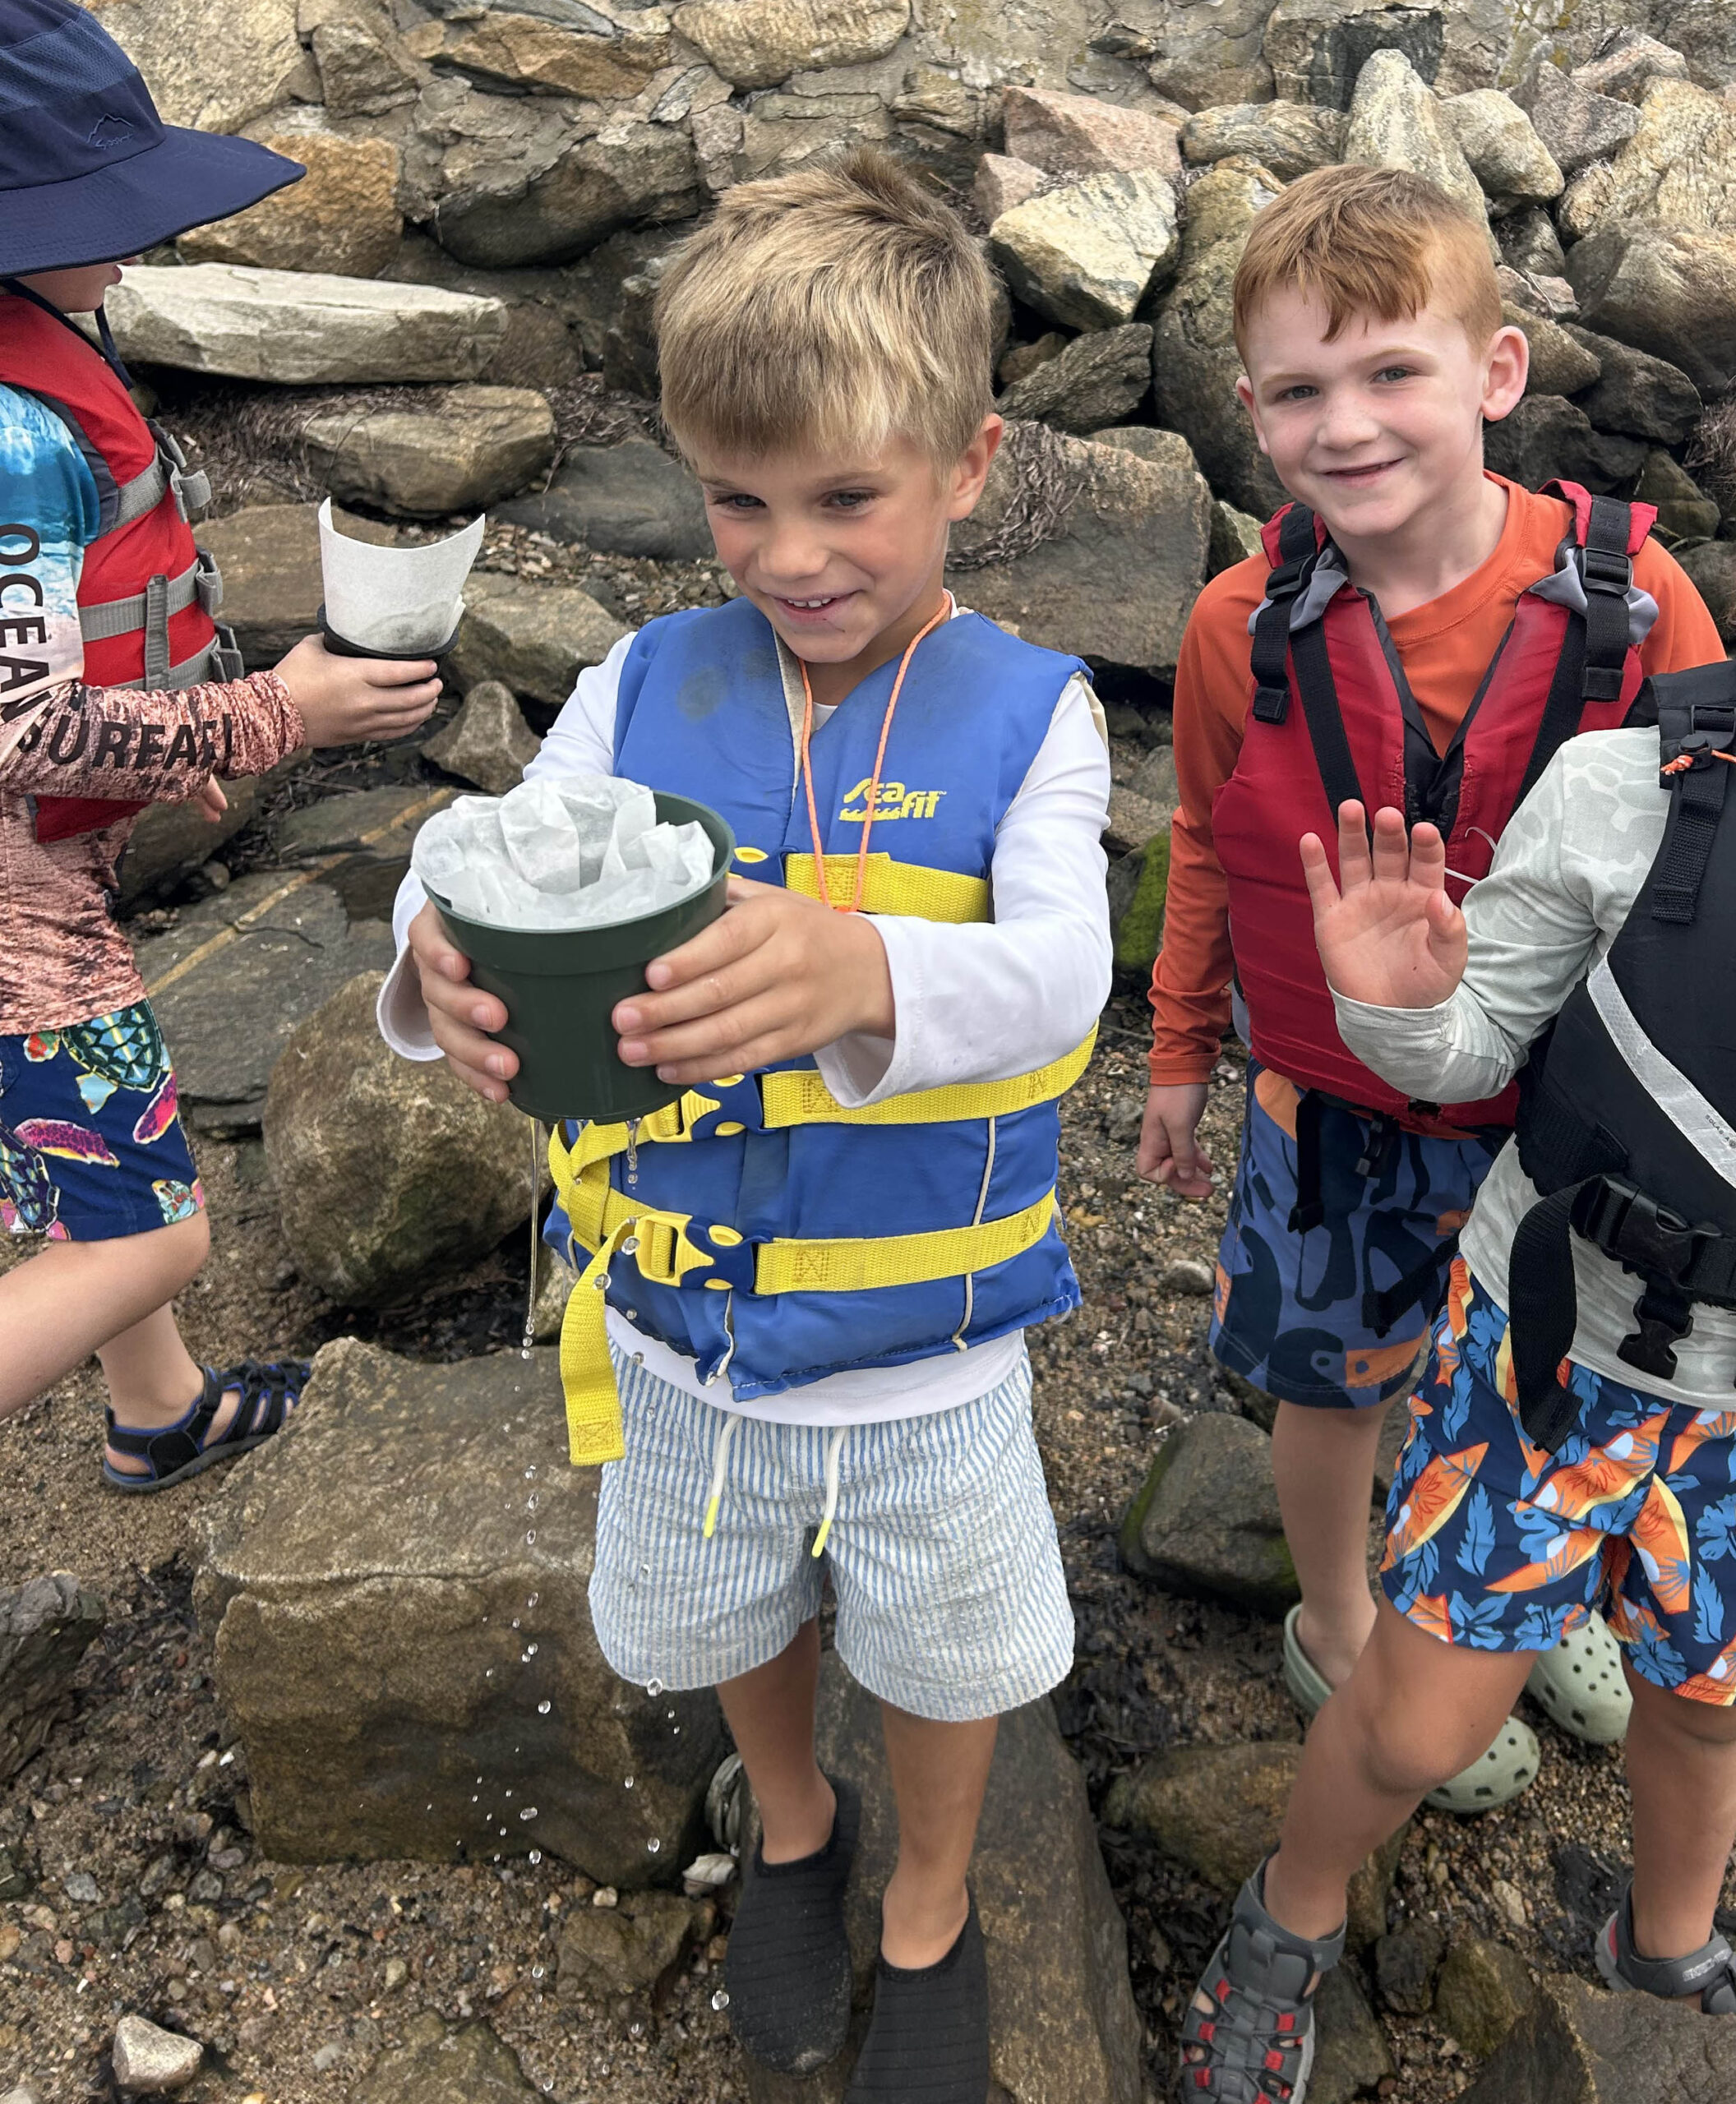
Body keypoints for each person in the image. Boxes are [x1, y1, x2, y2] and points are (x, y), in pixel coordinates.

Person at [1175, 262, 1736, 2097]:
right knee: (1419, 1720)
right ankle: (1288, 1910)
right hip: (1547, 1359)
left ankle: (1666, 1939)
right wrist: (1391, 1002)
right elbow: (1466, 1063)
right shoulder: (1619, 791)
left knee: (1708, 1705)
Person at [377, 153, 1109, 2103]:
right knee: (726, 1605)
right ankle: (791, 1820)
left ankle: (930, 1900)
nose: (788, 556)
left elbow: (1063, 976)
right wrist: (429, 952)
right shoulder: (638, 678)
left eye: (846, 497)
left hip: (929, 1361)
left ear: (968, 463)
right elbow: (484, 856)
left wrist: (862, 972)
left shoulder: (1033, 715)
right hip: (675, 1334)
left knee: (942, 1656)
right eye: (736, 499)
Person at [1137, 163, 1723, 1800]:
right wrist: (1179, 1052)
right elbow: (1204, 838)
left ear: (1496, 371)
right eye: (1297, 390)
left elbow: (1719, 860)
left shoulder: (1640, 609)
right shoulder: (1235, 628)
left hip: (1560, 1113)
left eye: (1392, 370)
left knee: (1541, 1365)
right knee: (1332, 1379)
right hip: (1329, 1108)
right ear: (1250, 409)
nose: (1347, 424)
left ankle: (1511, 1591)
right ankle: (1337, 1611)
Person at [0, 0, 441, 1485]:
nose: (134, 245)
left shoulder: (35, 350)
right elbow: (19, 728)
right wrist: (273, 716)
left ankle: (161, 1413)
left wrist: (172, 736)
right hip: (14, 921)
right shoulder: (12, 437)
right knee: (154, 1237)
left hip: (36, 875)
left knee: (83, 1171)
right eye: (94, 214)